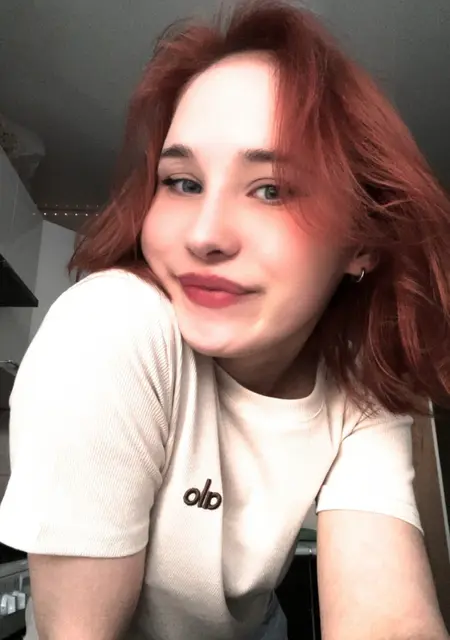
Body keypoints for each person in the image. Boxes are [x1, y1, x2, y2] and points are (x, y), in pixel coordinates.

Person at [0, 1, 449, 638]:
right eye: (182, 182)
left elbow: (388, 617)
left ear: (361, 243)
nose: (205, 235)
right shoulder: (110, 327)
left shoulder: (358, 389)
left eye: (271, 189)